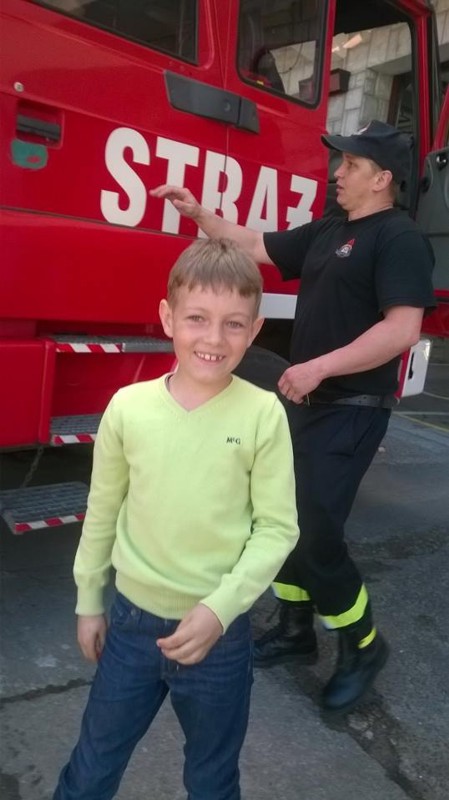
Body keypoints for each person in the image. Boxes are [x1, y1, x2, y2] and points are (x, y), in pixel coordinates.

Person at [150, 120, 436, 715]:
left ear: (382, 179)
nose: (337, 172)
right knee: (277, 517)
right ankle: (295, 627)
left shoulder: (400, 238)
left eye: (351, 165)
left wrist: (318, 368)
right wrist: (199, 214)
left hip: (351, 410)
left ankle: (363, 645)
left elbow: (402, 329)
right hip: (306, 405)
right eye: (340, 162)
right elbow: (253, 244)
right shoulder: (331, 229)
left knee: (314, 533)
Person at [52, 238, 299, 800]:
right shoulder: (128, 407)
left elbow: (277, 528)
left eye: (233, 324)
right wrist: (89, 600)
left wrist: (220, 609)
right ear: (168, 318)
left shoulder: (263, 414)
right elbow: (103, 509)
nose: (214, 339)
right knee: (90, 771)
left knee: (212, 780)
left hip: (219, 635)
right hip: (131, 628)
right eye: (197, 319)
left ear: (255, 330)